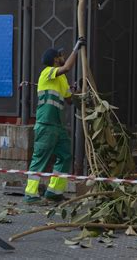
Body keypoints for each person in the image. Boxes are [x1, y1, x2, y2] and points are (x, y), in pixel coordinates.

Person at [24, 37, 86, 204]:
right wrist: (77, 48)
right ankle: (30, 194)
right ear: (54, 60)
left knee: (65, 156)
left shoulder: (62, 80)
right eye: (60, 55)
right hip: (45, 124)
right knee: (40, 158)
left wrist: (80, 91)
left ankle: (54, 191)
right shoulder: (47, 72)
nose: (62, 56)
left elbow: (69, 100)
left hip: (58, 125)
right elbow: (67, 67)